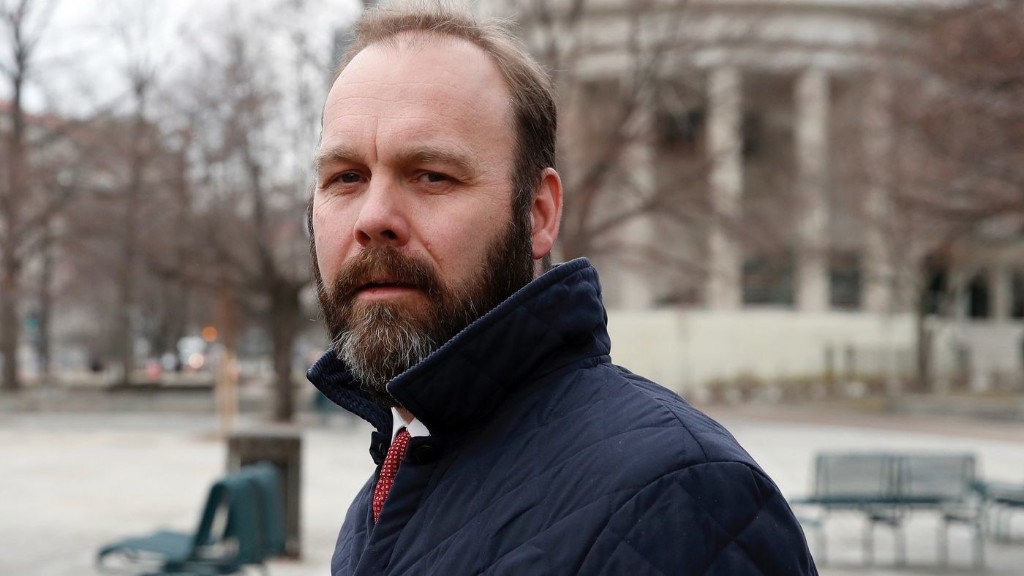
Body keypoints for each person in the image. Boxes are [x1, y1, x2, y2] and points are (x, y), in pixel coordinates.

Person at [306, 2, 818, 574]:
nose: (373, 218)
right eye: (345, 178)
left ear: (538, 214)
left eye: (432, 175)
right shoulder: (393, 486)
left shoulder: (682, 498)